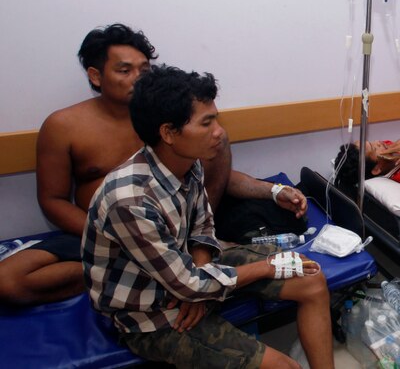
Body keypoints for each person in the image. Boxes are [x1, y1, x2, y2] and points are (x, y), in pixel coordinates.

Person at [0, 23, 306, 306]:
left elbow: (208, 174)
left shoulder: (170, 122)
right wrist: (111, 236)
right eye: (124, 70)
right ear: (96, 76)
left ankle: (174, 266)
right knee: (9, 281)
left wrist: (273, 190)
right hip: (105, 232)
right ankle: (146, 274)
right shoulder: (63, 126)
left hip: (176, 226)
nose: (137, 77)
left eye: (144, 69)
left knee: (220, 149)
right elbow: (52, 201)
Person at [82, 65, 333, 369]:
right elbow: (186, 284)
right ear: (169, 133)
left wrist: (200, 284)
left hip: (187, 276)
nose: (219, 132)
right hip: (150, 313)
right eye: (207, 123)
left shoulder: (189, 162)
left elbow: (202, 226)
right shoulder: (129, 201)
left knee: (312, 279)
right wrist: (263, 268)